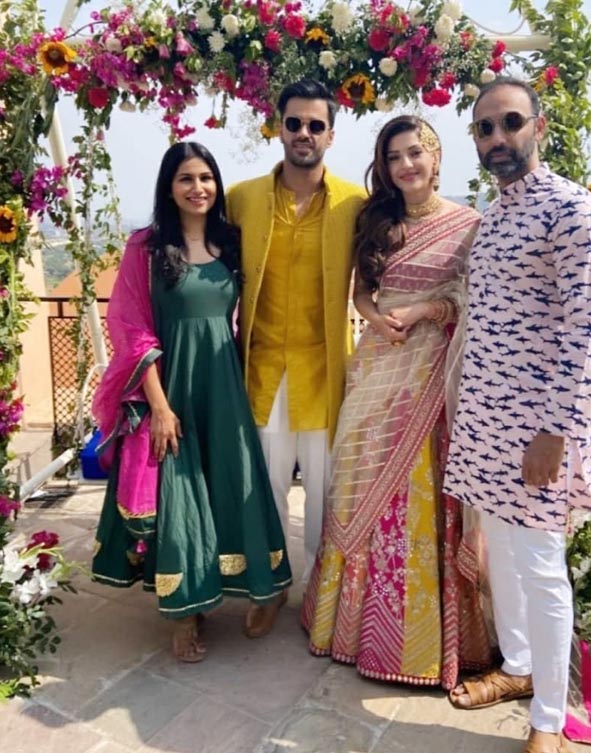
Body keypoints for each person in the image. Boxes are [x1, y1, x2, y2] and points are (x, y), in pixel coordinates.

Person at [444, 78, 591, 753]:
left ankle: (549, 717)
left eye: (510, 122)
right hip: (486, 420)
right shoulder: (495, 216)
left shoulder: (574, 210)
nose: (498, 138)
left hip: (539, 428)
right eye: (485, 128)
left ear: (537, 126)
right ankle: (517, 666)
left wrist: (555, 432)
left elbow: (585, 333)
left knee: (540, 566)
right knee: (504, 558)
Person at [300, 115, 493, 687]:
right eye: (393, 157)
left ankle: (417, 646)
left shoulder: (468, 225)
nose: (405, 165)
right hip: (377, 371)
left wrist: (425, 310)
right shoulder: (377, 222)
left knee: (419, 496)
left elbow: (472, 301)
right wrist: (375, 317)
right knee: (358, 490)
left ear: (436, 157)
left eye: (414, 153)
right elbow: (361, 290)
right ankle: (349, 629)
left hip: (432, 378)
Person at [91, 142, 292, 662]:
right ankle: (185, 614)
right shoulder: (147, 249)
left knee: (231, 487)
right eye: (186, 178)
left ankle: (256, 588)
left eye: (206, 177)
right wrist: (159, 407)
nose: (198, 188)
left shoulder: (231, 243)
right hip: (171, 388)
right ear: (169, 186)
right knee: (180, 497)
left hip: (224, 388)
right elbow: (131, 328)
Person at [227, 79, 366, 592]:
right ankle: (267, 590)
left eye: (315, 125)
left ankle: (321, 597)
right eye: (294, 123)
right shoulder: (241, 200)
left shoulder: (356, 203)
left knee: (327, 494)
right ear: (278, 128)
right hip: (262, 371)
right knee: (263, 491)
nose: (304, 132)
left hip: (325, 374)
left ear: (331, 134)